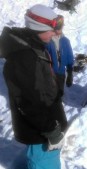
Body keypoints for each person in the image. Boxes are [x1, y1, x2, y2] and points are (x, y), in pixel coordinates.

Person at [0, 4, 68, 169]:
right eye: (51, 30)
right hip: (41, 133)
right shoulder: (23, 57)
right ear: (38, 29)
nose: (56, 33)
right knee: (43, 162)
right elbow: (28, 102)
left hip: (47, 126)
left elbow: (45, 86)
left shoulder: (34, 46)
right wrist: (51, 130)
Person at [46, 15, 74, 96]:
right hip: (49, 73)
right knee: (50, 94)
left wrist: (70, 74)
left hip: (61, 73)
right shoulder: (48, 40)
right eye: (57, 28)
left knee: (59, 93)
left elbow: (70, 57)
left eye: (60, 28)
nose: (59, 30)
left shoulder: (65, 41)